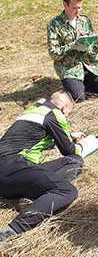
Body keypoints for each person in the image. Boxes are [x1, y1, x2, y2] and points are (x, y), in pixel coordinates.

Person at [0, 90, 89, 243]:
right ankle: (10, 232)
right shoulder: (55, 114)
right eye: (68, 113)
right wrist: (80, 146)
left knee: (74, 160)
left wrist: (68, 136)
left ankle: (35, 195)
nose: (66, 117)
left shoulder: (33, 110)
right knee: (67, 191)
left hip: (9, 171)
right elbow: (68, 149)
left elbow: (39, 139)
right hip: (15, 167)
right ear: (64, 107)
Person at [47, 0, 98, 102]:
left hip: (88, 64)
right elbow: (53, 52)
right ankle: (76, 86)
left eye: (79, 8)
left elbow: (96, 44)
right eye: (74, 8)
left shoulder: (84, 21)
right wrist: (71, 47)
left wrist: (88, 49)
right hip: (69, 68)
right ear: (65, 5)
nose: (77, 11)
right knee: (79, 99)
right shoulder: (55, 24)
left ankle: (85, 83)